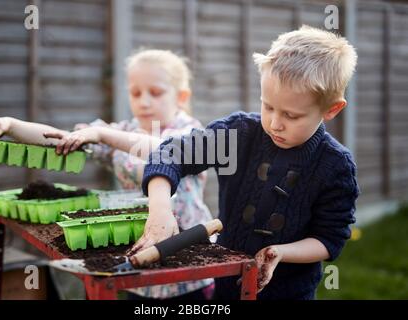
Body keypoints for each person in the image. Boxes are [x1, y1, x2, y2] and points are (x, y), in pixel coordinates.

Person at [133, 26, 360, 300]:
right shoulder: (240, 135)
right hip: (226, 288)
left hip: (289, 294)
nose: (275, 123)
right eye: (268, 106)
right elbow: (171, 154)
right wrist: (160, 209)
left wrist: (281, 253)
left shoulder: (335, 166)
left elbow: (329, 238)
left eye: (292, 115)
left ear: (331, 109)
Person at [0, 49, 214, 300]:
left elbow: (166, 151)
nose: (144, 102)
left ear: (181, 96)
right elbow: (62, 139)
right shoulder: (124, 130)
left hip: (188, 254)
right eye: (135, 93)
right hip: (138, 250)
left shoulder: (190, 132)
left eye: (155, 93)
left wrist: (102, 134)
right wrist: (13, 126)